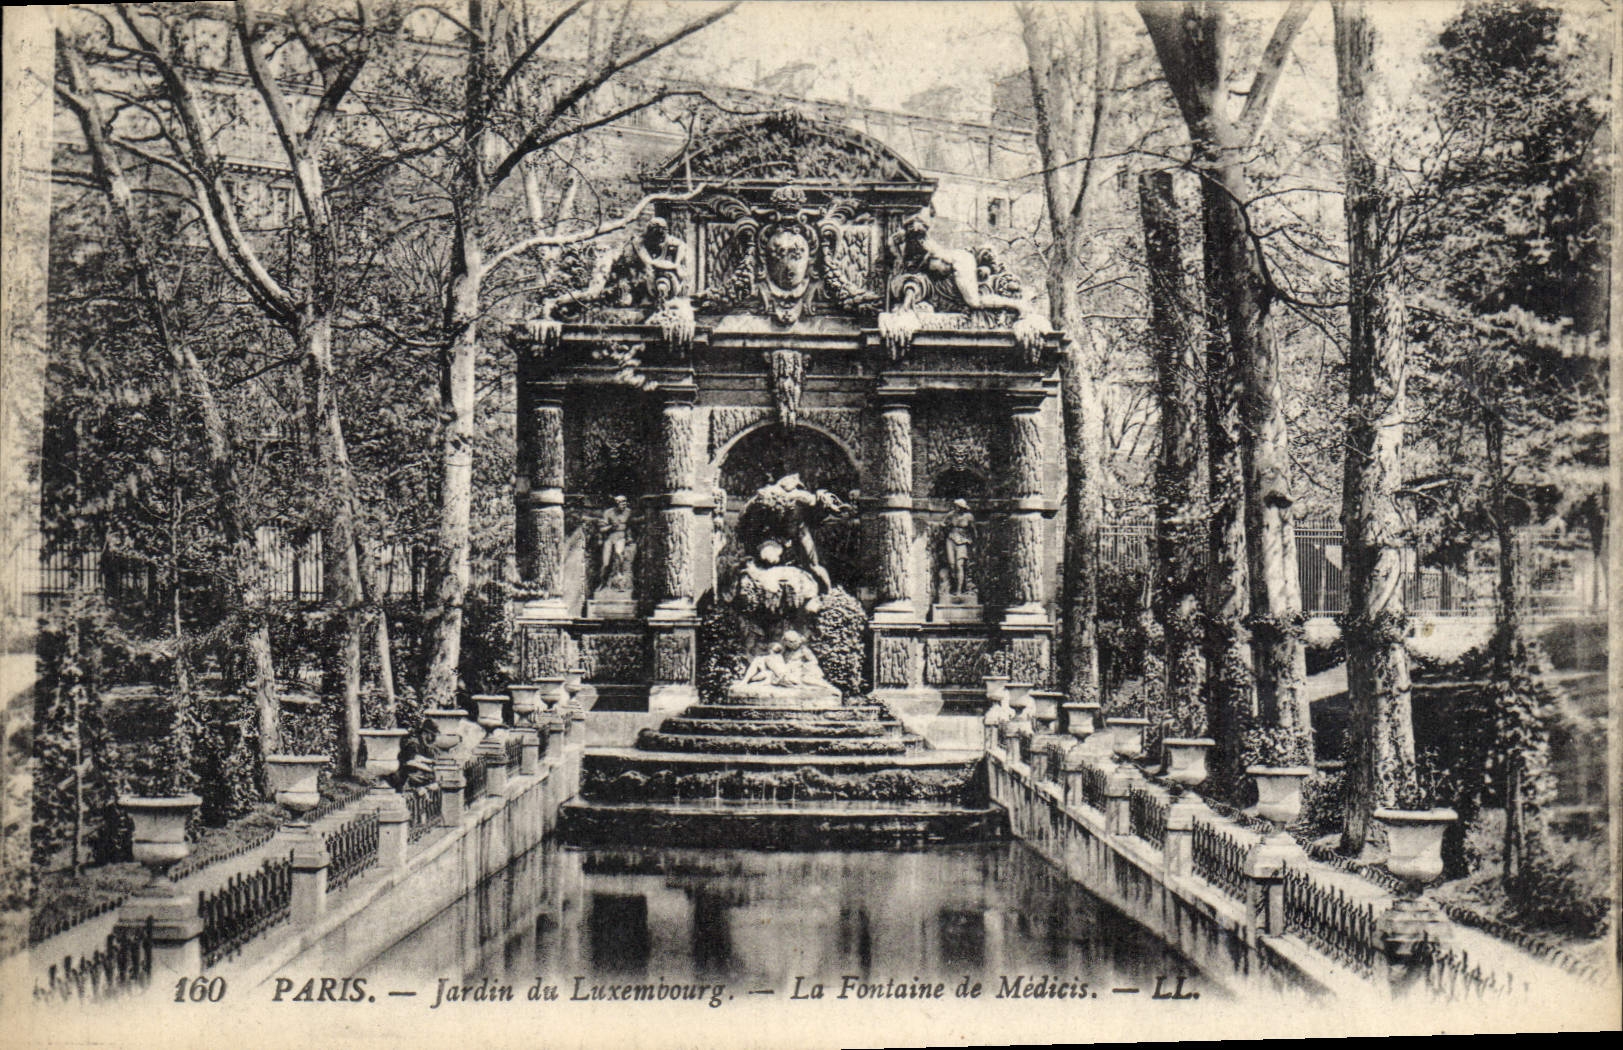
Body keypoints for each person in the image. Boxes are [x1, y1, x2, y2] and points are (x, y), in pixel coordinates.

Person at [943, 497, 976, 598]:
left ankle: (959, 590)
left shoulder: (969, 517)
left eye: (959, 507)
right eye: (956, 507)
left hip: (963, 541)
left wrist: (973, 545)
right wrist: (946, 526)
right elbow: (943, 524)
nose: (957, 508)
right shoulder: (951, 515)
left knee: (959, 565)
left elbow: (973, 530)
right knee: (952, 565)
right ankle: (953, 587)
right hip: (951, 539)